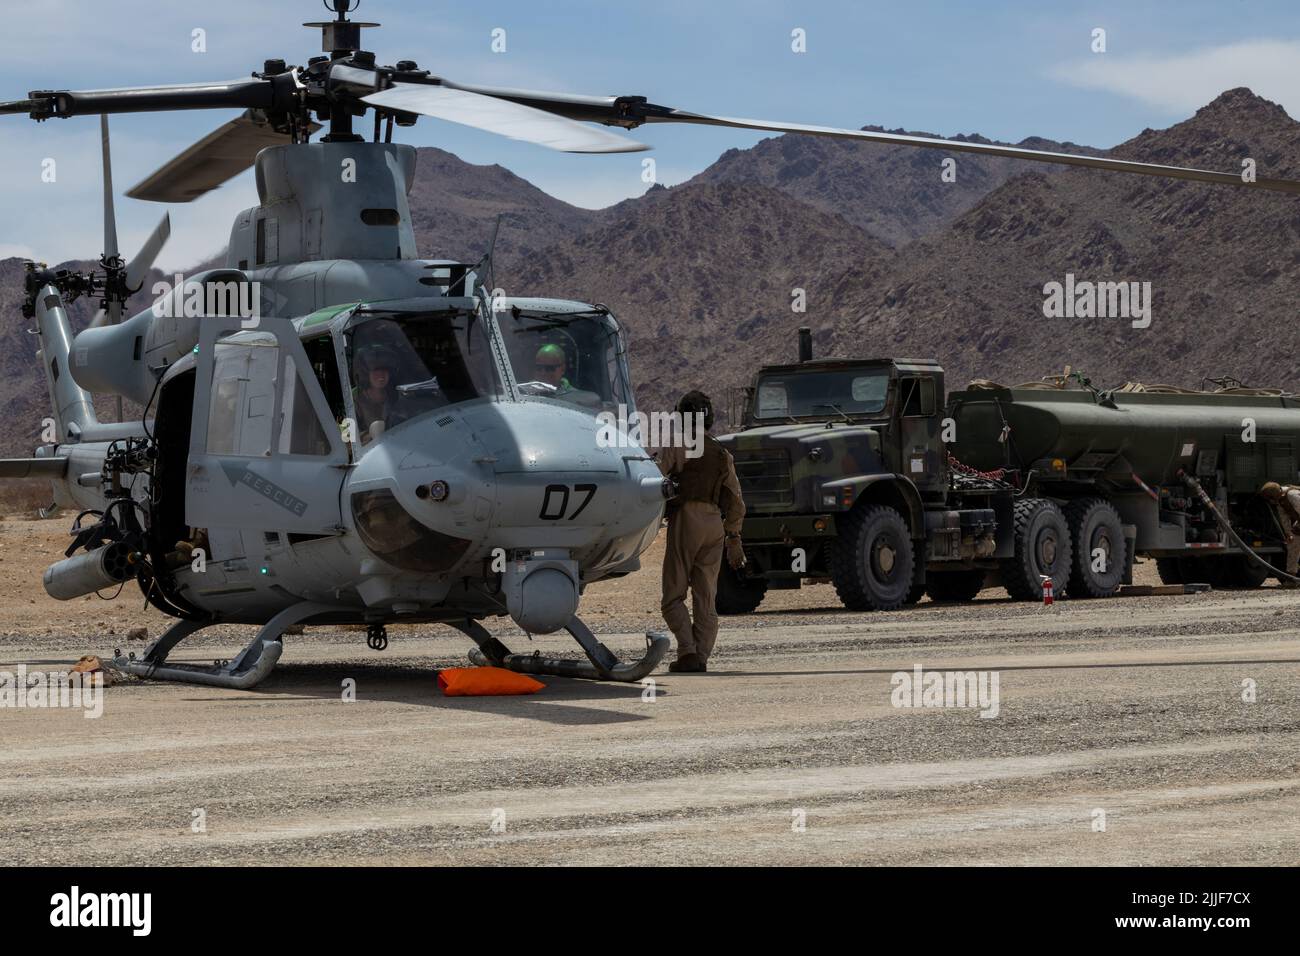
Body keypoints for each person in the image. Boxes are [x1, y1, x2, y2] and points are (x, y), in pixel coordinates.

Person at [656, 390, 747, 673]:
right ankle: (701, 657)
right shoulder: (722, 453)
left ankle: (687, 651)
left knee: (673, 595)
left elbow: (653, 480)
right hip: (714, 525)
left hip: (687, 519)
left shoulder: (677, 445)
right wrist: (734, 536)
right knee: (706, 596)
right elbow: (736, 501)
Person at [352, 344, 400, 442]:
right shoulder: (354, 399)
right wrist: (371, 435)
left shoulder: (395, 395)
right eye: (375, 370)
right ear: (365, 373)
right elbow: (348, 439)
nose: (381, 374)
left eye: (385, 369)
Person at [1260, 481, 1300, 585]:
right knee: (1292, 546)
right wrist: (1288, 533)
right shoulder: (1281, 500)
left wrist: (1297, 525)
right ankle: (1291, 579)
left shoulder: (1292, 495)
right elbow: (1284, 518)